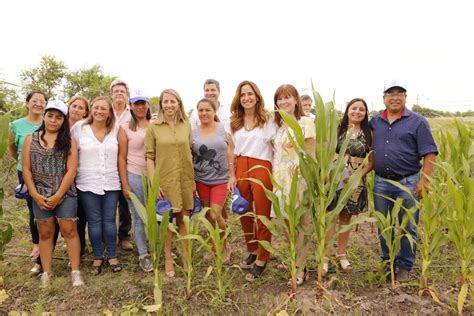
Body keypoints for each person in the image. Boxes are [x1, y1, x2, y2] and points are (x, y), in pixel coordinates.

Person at [370, 80, 437, 282]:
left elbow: (430, 152)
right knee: (384, 225)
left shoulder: (417, 121)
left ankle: (405, 266)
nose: (395, 97)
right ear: (384, 98)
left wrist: (424, 181)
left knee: (408, 226)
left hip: (408, 182)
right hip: (381, 182)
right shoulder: (375, 122)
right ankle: (387, 261)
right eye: (390, 93)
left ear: (405, 97)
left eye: (400, 93)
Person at [21, 100, 84, 287]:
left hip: (64, 192)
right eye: (50, 115)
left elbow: (71, 170)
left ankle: (75, 271)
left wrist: (58, 195)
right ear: (44, 116)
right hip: (40, 194)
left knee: (69, 230)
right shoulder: (30, 139)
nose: (53, 120)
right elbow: (26, 169)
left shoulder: (69, 141)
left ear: (63, 120)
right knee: (45, 232)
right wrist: (34, 194)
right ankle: (47, 272)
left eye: (58, 117)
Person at [227, 80, 277, 282]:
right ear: (239, 99)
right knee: (244, 212)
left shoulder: (268, 119)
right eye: (243, 94)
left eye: (250, 94)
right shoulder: (233, 122)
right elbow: (230, 149)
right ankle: (252, 249)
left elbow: (276, 145)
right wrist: (232, 174)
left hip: (262, 166)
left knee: (262, 214)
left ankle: (263, 258)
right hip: (241, 166)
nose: (246, 98)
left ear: (257, 96)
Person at [144, 89, 195, 278]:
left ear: (178, 103)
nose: (169, 105)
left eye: (172, 101)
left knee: (184, 218)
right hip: (164, 179)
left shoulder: (187, 125)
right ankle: (168, 258)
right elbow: (149, 157)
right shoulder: (153, 127)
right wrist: (154, 183)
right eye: (165, 102)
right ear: (161, 104)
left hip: (185, 178)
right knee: (166, 221)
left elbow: (190, 151)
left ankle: (185, 257)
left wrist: (193, 180)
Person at [72, 96, 123, 274]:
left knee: (109, 221)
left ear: (109, 112)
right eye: (96, 108)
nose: (99, 111)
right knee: (94, 222)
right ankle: (97, 257)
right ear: (91, 109)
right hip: (87, 182)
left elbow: (121, 157)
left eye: (104, 108)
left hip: (111, 182)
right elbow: (71, 153)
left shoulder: (116, 129)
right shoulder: (79, 128)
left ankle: (112, 255)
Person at [8, 90, 58, 275]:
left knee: (49, 211)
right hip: (26, 172)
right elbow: (12, 148)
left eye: (42, 101)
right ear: (27, 103)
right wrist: (22, 163)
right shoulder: (15, 125)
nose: (38, 104)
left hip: (49, 173)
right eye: (34, 101)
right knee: (33, 211)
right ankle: (36, 245)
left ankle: (46, 250)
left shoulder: (50, 122)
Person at [272, 84, 315, 286]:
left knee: (302, 225)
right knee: (287, 223)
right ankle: (293, 258)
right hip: (281, 180)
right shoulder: (280, 126)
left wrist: (311, 180)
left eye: (287, 97)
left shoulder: (305, 122)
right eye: (279, 99)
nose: (283, 102)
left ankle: (300, 267)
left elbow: (311, 154)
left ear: (296, 100)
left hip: (299, 179)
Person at [325, 98, 373, 274]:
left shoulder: (369, 134)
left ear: (366, 113)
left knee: (346, 219)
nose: (357, 112)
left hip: (355, 182)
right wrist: (330, 174)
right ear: (347, 111)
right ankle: (325, 256)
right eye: (354, 108)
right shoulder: (337, 131)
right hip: (335, 179)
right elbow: (328, 154)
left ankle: (342, 255)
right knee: (331, 217)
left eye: (362, 109)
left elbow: (371, 161)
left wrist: (357, 175)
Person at [191, 98, 234, 264]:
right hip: (201, 179)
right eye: (200, 110)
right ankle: (215, 245)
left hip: (220, 180)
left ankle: (225, 245)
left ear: (214, 111)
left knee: (216, 214)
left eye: (207, 110)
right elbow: (191, 155)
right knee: (208, 216)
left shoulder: (223, 129)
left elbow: (230, 152)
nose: (204, 113)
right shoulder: (193, 132)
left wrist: (232, 175)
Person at [118, 89, 153, 272]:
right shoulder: (126, 128)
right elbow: (121, 157)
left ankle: (157, 245)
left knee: (156, 215)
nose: (140, 107)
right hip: (134, 175)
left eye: (143, 103)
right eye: (136, 103)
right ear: (130, 106)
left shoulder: (154, 124)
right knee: (139, 217)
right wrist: (125, 184)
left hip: (154, 177)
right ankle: (143, 254)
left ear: (147, 105)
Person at [110, 79, 133, 251]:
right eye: (116, 91)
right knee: (109, 201)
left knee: (125, 201)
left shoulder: (133, 113)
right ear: (111, 94)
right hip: (107, 162)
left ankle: (124, 235)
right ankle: (108, 235)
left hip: (128, 161)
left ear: (127, 95)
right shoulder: (104, 111)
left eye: (122, 91)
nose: (119, 93)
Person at [67, 95, 89, 257]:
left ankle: (80, 250)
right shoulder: (58, 123)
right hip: (59, 176)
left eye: (81, 107)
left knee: (79, 215)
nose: (76, 109)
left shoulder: (85, 128)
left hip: (80, 175)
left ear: (85, 112)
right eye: (74, 106)